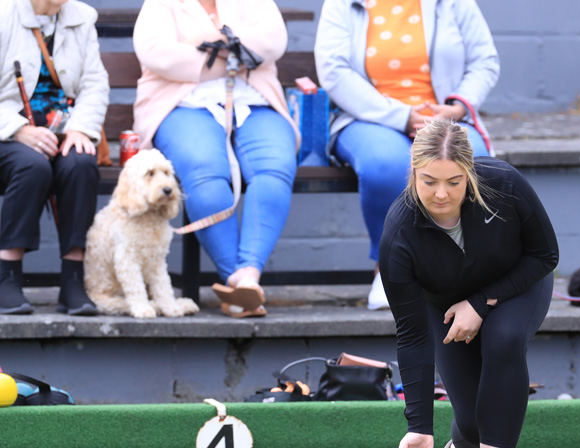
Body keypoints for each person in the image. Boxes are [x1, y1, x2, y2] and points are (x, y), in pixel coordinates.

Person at [380, 119, 558, 448]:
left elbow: (545, 255)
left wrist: (480, 303)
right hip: (445, 306)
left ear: (469, 173)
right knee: (473, 422)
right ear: (413, 173)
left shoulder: (505, 184)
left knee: (504, 339)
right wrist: (419, 429)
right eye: (429, 181)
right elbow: (413, 337)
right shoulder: (399, 233)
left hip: (518, 284)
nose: (441, 194)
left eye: (454, 182)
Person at [315, 0, 500, 311]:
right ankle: (390, 269)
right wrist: (402, 116)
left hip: (445, 117)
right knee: (385, 164)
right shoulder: (342, 4)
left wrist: (457, 107)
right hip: (368, 118)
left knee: (477, 164)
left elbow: (485, 61)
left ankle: (462, 269)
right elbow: (333, 71)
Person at [133, 0, 300, 318]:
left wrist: (207, 45)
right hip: (181, 104)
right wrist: (235, 55)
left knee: (274, 168)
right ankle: (238, 283)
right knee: (205, 175)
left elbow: (272, 41)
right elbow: (157, 53)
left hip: (255, 100)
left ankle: (246, 277)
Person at [0, 0, 109, 316]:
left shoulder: (82, 17)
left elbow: (94, 83)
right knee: (32, 165)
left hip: (61, 131)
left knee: (81, 163)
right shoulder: (4, 13)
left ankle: (73, 279)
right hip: (8, 134)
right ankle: (7, 274)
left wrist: (80, 129)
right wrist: (18, 130)